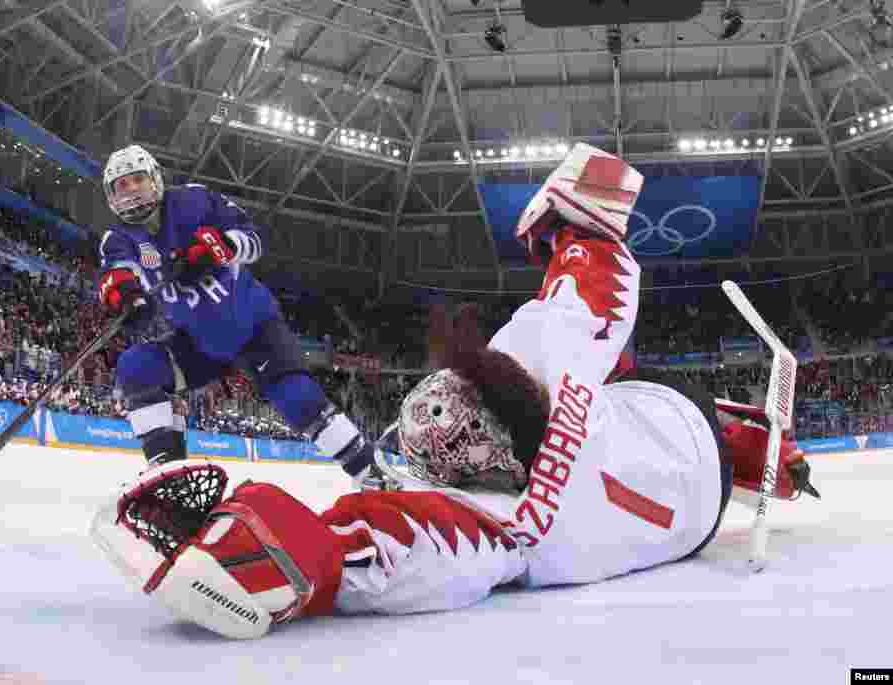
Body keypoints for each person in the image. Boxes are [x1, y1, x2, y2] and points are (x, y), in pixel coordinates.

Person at [91, 144, 819, 640]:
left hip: (689, 473)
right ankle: (164, 461)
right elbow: (595, 294)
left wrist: (279, 554)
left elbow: (390, 542)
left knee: (300, 398)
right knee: (626, 389)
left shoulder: (508, 525)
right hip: (686, 447)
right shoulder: (533, 426)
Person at [95, 144, 375, 477]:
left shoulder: (194, 201)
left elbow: (254, 239)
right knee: (136, 366)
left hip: (253, 326)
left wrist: (220, 248)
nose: (131, 191)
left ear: (155, 178)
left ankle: (369, 472)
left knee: (297, 399)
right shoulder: (117, 237)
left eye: (137, 179)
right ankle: (167, 473)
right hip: (199, 342)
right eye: (121, 185)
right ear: (110, 195)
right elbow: (116, 274)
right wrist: (125, 296)